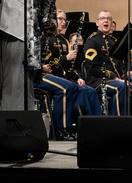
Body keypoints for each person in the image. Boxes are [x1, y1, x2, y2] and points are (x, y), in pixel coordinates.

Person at [37, 10, 102, 138]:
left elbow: (68, 69)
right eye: (60, 19)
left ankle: (95, 124)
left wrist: (78, 78)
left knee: (89, 90)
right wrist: (65, 58)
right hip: (43, 76)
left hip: (62, 77)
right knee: (67, 88)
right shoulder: (44, 38)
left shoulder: (64, 41)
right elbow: (47, 64)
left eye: (64, 20)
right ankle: (62, 127)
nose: (63, 22)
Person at [82, 10, 132, 115]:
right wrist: (115, 78)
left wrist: (124, 78)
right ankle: (117, 123)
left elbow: (120, 66)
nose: (106, 21)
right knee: (122, 87)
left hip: (118, 80)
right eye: (103, 18)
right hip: (99, 81)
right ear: (97, 22)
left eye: (109, 19)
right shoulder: (92, 40)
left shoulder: (113, 41)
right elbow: (93, 67)